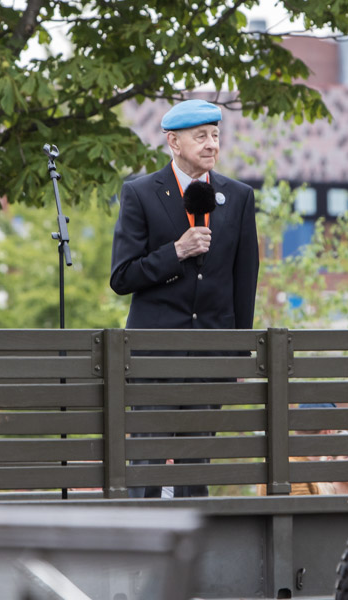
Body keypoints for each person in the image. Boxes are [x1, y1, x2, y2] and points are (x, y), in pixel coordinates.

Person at [110, 98, 260, 498]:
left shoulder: (239, 196)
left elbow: (244, 281)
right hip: (154, 354)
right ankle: (142, 535)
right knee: (148, 462)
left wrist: (238, 352)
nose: (211, 144)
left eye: (215, 135)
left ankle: (197, 536)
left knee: (196, 463)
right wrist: (175, 252)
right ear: (174, 143)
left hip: (211, 353)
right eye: (201, 136)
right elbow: (122, 277)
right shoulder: (140, 193)